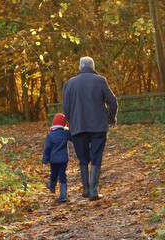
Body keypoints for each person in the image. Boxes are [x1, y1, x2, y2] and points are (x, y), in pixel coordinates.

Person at [62, 56, 118, 201]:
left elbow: (66, 107)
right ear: (93, 67)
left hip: (78, 126)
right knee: (96, 156)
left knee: (82, 158)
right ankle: (94, 191)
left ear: (79, 68)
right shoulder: (100, 80)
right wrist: (111, 118)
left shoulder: (69, 83)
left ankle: (86, 190)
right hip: (98, 126)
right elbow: (113, 102)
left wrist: (71, 121)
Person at [42, 113, 72, 203]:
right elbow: (74, 138)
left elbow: (47, 149)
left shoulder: (50, 135)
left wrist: (44, 161)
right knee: (62, 176)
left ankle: (51, 186)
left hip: (53, 160)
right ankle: (63, 195)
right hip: (63, 159)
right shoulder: (66, 133)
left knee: (53, 174)